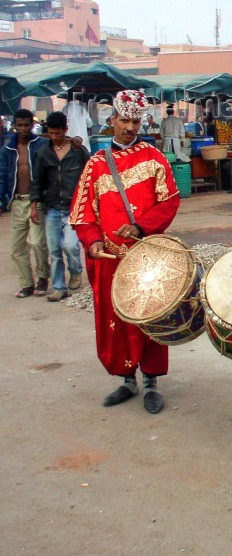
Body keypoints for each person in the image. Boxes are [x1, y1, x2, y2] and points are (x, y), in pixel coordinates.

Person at [69, 89, 180, 414]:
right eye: (124, 120)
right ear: (112, 120)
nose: (130, 127)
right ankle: (127, 380)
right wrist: (93, 241)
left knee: (151, 316)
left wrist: (141, 227)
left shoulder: (154, 158)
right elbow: (82, 214)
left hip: (146, 257)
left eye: (135, 121)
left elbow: (169, 201)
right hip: (110, 261)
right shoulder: (95, 165)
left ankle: (151, 383)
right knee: (115, 319)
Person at [30, 111, 90, 302]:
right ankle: (58, 287)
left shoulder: (78, 151)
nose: (55, 137)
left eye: (58, 133)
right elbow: (37, 182)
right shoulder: (42, 153)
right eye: (51, 133)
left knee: (71, 245)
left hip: (74, 207)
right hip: (52, 208)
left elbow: (90, 176)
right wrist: (34, 206)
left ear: (66, 130)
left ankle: (75, 270)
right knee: (54, 250)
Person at [0, 109, 51, 298]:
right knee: (17, 248)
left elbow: (62, 141)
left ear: (32, 125)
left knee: (37, 243)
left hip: (36, 200)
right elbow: (3, 175)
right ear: (14, 126)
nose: (23, 129)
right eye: (19, 125)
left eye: (26, 125)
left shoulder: (42, 144)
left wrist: (76, 140)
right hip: (17, 201)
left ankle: (43, 277)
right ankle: (26, 283)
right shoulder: (7, 150)